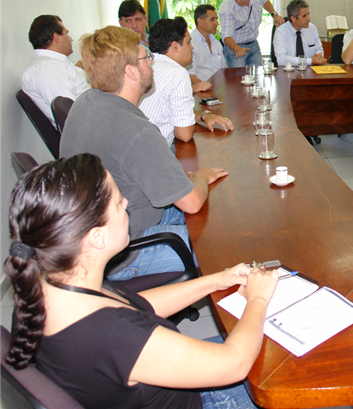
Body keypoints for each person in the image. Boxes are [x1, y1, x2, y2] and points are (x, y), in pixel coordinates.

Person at [3, 153, 279, 408]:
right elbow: (234, 364)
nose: (125, 203)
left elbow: (134, 305)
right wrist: (258, 298)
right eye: (117, 202)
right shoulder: (112, 335)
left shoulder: (47, 287)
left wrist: (217, 280)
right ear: (96, 237)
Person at [60, 26, 228, 280]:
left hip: (91, 236)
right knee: (221, 239)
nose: (152, 64)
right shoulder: (136, 131)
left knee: (212, 210)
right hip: (124, 252)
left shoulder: (85, 101)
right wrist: (201, 177)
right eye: (146, 58)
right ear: (130, 71)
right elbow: (192, 204)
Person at [139, 17, 233, 147]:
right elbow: (184, 134)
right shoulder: (177, 73)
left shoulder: (146, 64)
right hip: (153, 153)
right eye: (188, 42)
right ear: (175, 47)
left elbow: (170, 112)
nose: (192, 47)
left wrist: (204, 116)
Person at [21, 15, 90, 127]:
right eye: (66, 33)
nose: (71, 38)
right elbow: (71, 112)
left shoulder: (51, 64)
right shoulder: (46, 68)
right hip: (91, 128)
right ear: (56, 37)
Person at [219, 0, 284, 67]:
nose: (238, 0)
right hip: (235, 48)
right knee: (238, 79)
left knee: (258, 76)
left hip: (253, 44)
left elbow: (265, 1)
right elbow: (226, 35)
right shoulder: (227, 9)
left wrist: (274, 14)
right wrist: (237, 48)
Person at [273, 0, 325, 67]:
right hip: (288, 73)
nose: (308, 18)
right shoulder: (281, 32)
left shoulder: (312, 28)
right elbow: (282, 59)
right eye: (304, 16)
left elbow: (319, 49)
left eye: (308, 14)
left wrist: (318, 57)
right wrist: (310, 61)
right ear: (293, 19)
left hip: (310, 72)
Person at [189, 4, 225, 85]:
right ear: (200, 21)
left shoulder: (216, 43)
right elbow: (190, 76)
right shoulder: (191, 43)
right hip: (201, 91)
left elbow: (224, 70)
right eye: (212, 20)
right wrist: (208, 88)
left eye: (216, 19)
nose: (217, 23)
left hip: (219, 88)